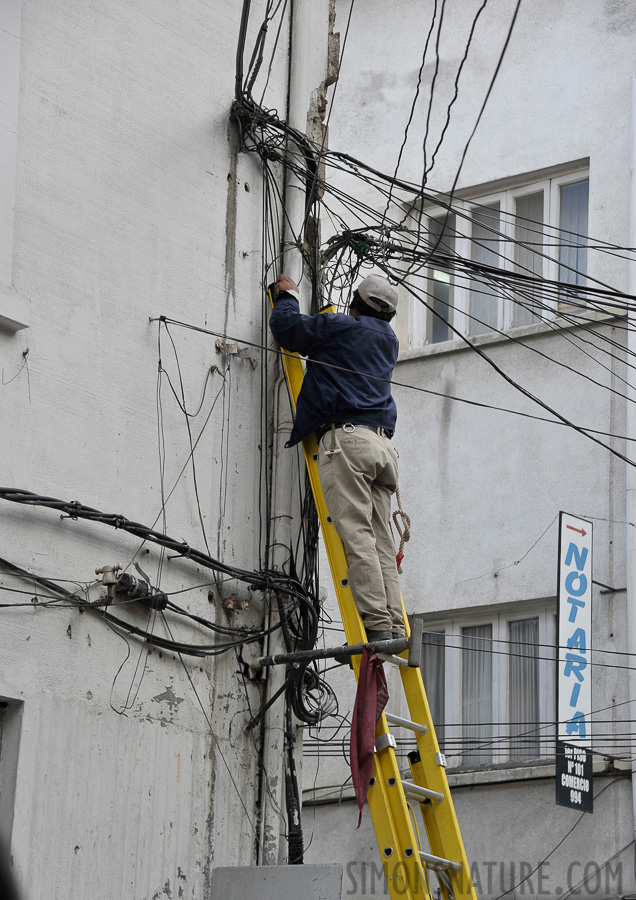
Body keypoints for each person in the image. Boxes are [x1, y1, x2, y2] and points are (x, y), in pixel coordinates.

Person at [269, 272, 404, 642]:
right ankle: (393, 622)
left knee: (356, 533)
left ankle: (375, 625)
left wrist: (288, 296)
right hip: (382, 447)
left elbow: (288, 330)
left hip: (348, 442)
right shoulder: (388, 341)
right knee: (380, 539)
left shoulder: (341, 327)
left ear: (355, 303)